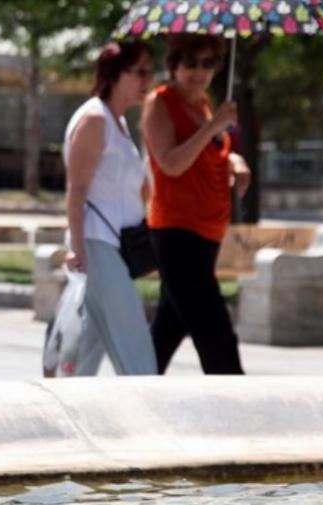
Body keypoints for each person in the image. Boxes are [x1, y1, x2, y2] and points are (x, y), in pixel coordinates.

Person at [140, 34, 251, 374]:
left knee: (167, 330)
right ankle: (239, 410)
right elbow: (171, 162)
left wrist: (233, 160)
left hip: (208, 231)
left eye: (208, 63)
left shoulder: (205, 104)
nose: (199, 72)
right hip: (176, 231)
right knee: (214, 332)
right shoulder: (160, 102)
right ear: (173, 64)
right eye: (190, 62)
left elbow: (204, 153)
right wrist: (215, 126)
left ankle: (132, 390)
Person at [59, 41, 158, 376]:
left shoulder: (118, 122)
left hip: (113, 247)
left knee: (88, 346)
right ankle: (151, 416)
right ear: (115, 74)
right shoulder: (95, 119)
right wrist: (77, 246)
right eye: (140, 71)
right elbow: (76, 189)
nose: (148, 78)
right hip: (97, 246)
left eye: (149, 70)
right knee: (135, 347)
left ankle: (65, 409)